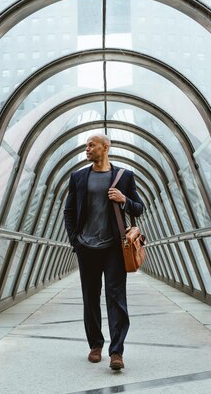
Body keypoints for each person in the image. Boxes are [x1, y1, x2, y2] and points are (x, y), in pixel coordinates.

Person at [63, 133, 144, 371]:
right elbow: (68, 212)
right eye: (86, 145)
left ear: (105, 147)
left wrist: (124, 200)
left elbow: (139, 208)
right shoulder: (78, 177)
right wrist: (75, 241)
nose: (87, 148)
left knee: (116, 299)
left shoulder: (124, 176)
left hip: (114, 249)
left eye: (92, 145)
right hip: (86, 247)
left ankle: (116, 351)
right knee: (90, 298)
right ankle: (95, 346)